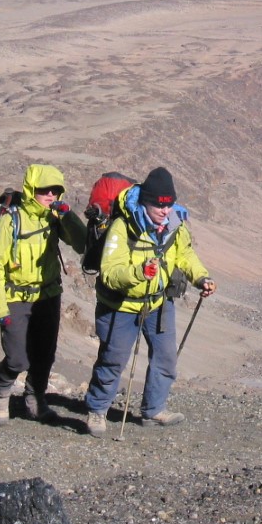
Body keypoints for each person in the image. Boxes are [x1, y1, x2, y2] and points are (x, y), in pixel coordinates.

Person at [84, 166, 215, 437]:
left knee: (166, 357)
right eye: (159, 205)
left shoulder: (174, 225)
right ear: (146, 200)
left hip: (158, 301)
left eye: (168, 205)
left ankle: (154, 409)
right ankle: (97, 411)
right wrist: (139, 273)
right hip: (121, 305)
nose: (165, 211)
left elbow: (185, 256)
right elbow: (110, 272)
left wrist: (201, 278)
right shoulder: (123, 227)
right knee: (112, 359)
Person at [0, 164, 86, 426]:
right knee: (18, 358)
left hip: (48, 296)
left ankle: (35, 400)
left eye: (56, 190)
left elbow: (82, 243)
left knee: (45, 354)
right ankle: (0, 389)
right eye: (44, 190)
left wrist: (68, 216)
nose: (50, 195)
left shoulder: (55, 217)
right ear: (31, 190)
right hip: (16, 298)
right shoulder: (10, 221)